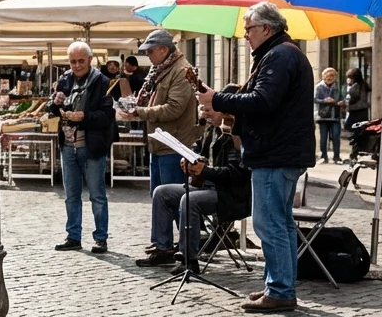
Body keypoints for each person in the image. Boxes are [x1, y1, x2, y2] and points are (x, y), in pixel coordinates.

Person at [199, 3, 314, 312]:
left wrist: (218, 98)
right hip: (280, 150)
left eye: (248, 28)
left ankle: (279, 290)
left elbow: (264, 101)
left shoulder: (279, 56)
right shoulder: (281, 54)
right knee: (281, 223)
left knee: (269, 223)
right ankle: (279, 286)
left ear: (266, 28)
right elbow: (271, 107)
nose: (245, 35)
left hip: (275, 154)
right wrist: (230, 117)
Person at [135, 87, 250, 270]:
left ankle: (189, 259)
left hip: (229, 193)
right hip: (206, 186)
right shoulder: (212, 130)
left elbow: (236, 174)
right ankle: (163, 249)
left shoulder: (236, 134)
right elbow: (198, 149)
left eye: (208, 109)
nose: (204, 113)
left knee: (189, 199)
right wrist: (188, 158)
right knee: (162, 192)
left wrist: (205, 171)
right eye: (203, 109)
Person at [46, 41, 115, 253]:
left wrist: (84, 116)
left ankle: (100, 238)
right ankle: (73, 236)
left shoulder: (102, 82)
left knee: (97, 195)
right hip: (68, 145)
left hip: (91, 145)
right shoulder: (64, 80)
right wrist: (55, 103)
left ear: (90, 60)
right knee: (71, 195)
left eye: (81, 61)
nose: (76, 65)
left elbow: (107, 116)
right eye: (73, 61)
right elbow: (52, 109)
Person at [118, 29, 200, 196]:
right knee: (160, 201)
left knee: (173, 200)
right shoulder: (161, 69)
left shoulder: (180, 70)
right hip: (159, 144)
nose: (147, 55)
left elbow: (174, 108)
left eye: (150, 51)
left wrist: (140, 112)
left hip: (173, 146)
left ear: (163, 49)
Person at [314, 67, 344, 164]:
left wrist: (342, 102)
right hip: (323, 116)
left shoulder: (337, 87)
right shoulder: (319, 87)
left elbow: (342, 98)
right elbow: (315, 99)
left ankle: (336, 157)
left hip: (335, 115)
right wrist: (325, 101)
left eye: (333, 75)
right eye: (328, 75)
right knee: (323, 138)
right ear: (323, 76)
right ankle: (324, 156)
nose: (330, 77)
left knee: (336, 136)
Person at [345, 68, 369, 152]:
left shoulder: (356, 86)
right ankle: (357, 145)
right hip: (363, 110)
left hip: (356, 110)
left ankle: (356, 141)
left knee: (350, 126)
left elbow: (353, 98)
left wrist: (346, 103)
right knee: (360, 129)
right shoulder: (363, 84)